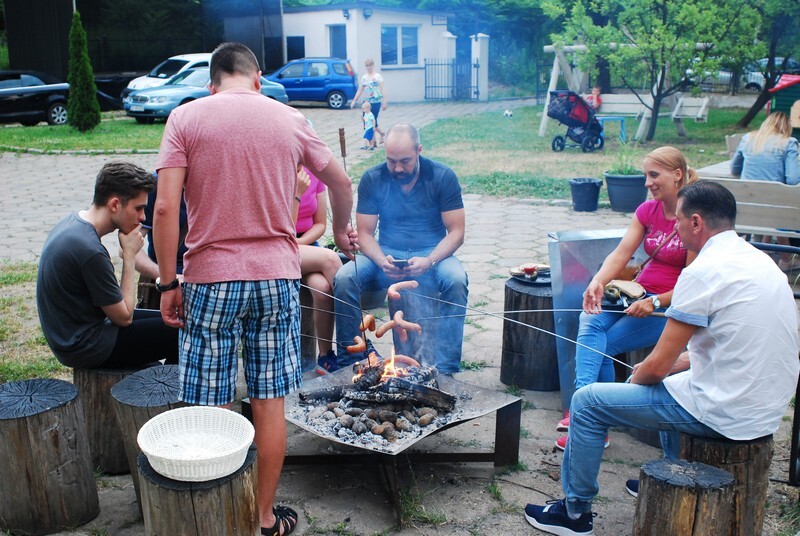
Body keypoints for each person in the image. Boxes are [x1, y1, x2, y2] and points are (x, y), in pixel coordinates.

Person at [153, 42, 355, 536]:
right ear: (259, 79)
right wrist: (345, 230)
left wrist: (166, 281)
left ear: (212, 82)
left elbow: (163, 210)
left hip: (210, 281)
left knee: (214, 401)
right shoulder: (289, 119)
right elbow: (341, 182)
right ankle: (263, 519)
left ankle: (221, 518)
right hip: (275, 281)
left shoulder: (186, 118)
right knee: (269, 402)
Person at [525, 180, 800, 536]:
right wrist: (669, 368)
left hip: (727, 413)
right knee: (673, 382)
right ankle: (673, 473)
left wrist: (633, 382)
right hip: (766, 409)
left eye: (680, 222)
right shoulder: (760, 262)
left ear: (697, 222)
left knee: (589, 401)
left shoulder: (701, 272)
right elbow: (725, 346)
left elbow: (654, 366)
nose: (677, 229)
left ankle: (574, 514)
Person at [555, 147, 697, 451]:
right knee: (589, 317)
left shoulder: (693, 218)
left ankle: (586, 418)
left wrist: (656, 302)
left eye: (653, 175)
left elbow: (693, 282)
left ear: (677, 175)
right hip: (635, 293)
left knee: (606, 342)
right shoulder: (648, 210)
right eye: (646, 175)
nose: (647, 182)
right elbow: (622, 253)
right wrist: (598, 280)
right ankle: (587, 412)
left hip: (666, 307)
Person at [333, 124, 468, 374]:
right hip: (386, 253)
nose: (397, 168)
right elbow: (364, 233)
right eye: (391, 161)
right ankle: (349, 360)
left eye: (405, 161)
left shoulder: (441, 176)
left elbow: (457, 232)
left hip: (432, 253)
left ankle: (447, 368)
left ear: (419, 151)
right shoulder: (373, 178)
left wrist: (429, 261)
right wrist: (381, 259)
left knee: (457, 280)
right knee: (345, 277)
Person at [36, 161, 179, 368]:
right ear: (114, 205)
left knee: (171, 320)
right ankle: (169, 392)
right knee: (181, 333)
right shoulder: (89, 250)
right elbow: (124, 317)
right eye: (138, 208)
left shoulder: (74, 224)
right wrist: (129, 256)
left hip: (76, 336)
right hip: (86, 347)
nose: (143, 217)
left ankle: (161, 383)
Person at [731, 111, 800, 271]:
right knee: (782, 203)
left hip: (746, 210)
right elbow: (793, 179)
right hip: (774, 209)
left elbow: (735, 168)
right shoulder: (789, 142)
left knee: (771, 202)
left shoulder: (748, 139)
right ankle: (786, 257)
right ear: (786, 127)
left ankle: (763, 248)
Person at [293, 166, 343, 373]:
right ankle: (356, 342)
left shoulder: (313, 173)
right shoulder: (273, 168)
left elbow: (320, 223)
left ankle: (325, 356)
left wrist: (302, 242)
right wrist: (296, 193)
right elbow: (276, 224)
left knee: (322, 289)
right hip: (278, 244)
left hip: (306, 243)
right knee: (331, 259)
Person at [134, 173, 188, 310]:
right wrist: (168, 278)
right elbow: (127, 248)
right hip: (163, 287)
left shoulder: (222, 183)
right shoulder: (155, 186)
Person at [350, 58, 386, 144]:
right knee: (366, 120)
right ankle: (378, 136)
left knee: (373, 120)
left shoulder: (377, 77)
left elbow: (383, 89)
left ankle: (373, 141)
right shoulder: (364, 78)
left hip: (376, 102)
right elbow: (360, 89)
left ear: (373, 65)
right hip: (366, 103)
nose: (369, 67)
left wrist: (385, 102)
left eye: (370, 65)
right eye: (367, 65)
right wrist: (354, 100)